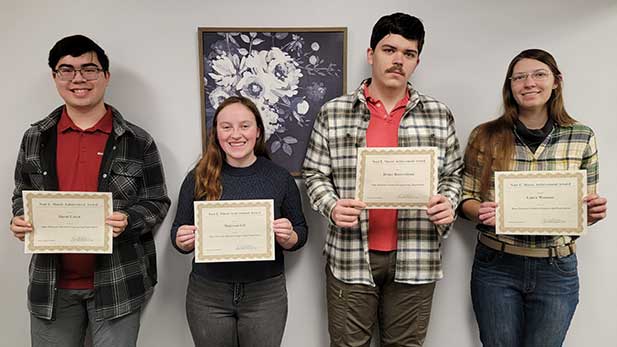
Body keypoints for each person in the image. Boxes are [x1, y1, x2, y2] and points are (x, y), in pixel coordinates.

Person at [303, 13, 463, 346]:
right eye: (390, 50)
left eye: (409, 54)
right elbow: (314, 173)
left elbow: (453, 175)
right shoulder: (333, 112)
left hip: (416, 255)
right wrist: (332, 207)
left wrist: (448, 201)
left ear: (417, 61)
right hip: (350, 256)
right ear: (370, 54)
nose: (398, 60)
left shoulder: (438, 114)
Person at [9, 34, 170, 347]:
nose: (78, 78)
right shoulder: (34, 137)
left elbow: (157, 201)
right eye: (66, 70)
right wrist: (20, 218)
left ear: (106, 76)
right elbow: (22, 193)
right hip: (51, 287)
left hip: (118, 283)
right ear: (55, 77)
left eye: (89, 69)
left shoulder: (137, 140)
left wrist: (128, 219)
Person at [460, 48, 608, 347]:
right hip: (496, 265)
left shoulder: (581, 136)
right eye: (520, 77)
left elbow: (583, 208)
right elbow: (465, 199)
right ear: (510, 86)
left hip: (556, 268)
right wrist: (480, 211)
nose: (529, 83)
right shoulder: (484, 135)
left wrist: (591, 213)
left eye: (539, 74)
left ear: (556, 81)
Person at [171, 96, 308, 347]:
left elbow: (300, 231)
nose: (236, 134)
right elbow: (177, 234)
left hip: (265, 293)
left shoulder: (279, 177)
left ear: (257, 132)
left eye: (245, 126)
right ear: (216, 133)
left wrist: (290, 237)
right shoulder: (198, 177)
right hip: (207, 294)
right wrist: (182, 240)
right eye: (226, 127)